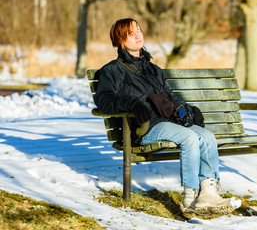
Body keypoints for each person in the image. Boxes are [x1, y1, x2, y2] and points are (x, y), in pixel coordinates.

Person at [94, 18, 235, 216]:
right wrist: (131, 104)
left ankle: (209, 194)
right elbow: (104, 101)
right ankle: (190, 199)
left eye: (139, 30)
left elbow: (169, 97)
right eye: (130, 33)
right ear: (119, 39)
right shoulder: (111, 70)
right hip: (144, 127)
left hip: (168, 122)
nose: (137, 35)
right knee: (190, 138)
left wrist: (188, 109)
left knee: (207, 136)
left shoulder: (153, 70)